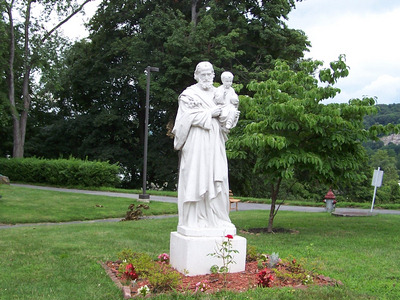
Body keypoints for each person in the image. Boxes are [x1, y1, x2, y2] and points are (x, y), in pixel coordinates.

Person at [172, 62, 237, 230]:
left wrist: (229, 115)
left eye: (209, 74)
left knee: (218, 176)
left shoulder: (220, 93)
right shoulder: (189, 94)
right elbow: (183, 120)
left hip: (215, 141)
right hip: (197, 142)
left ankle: (217, 218)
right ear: (196, 76)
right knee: (196, 176)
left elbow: (226, 116)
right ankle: (194, 220)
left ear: (214, 75)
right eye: (203, 75)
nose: (207, 78)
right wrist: (209, 113)